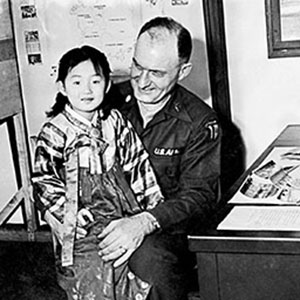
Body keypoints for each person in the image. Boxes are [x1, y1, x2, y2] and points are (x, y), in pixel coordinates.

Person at [99, 16, 222, 300]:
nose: (142, 82)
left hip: (166, 229)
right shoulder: (106, 103)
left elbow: (199, 196)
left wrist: (144, 222)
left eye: (156, 73)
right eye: (137, 67)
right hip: (108, 218)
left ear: (183, 71)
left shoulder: (199, 122)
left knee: (149, 262)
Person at [32, 45, 164, 300]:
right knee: (91, 269)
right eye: (77, 81)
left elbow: (137, 163)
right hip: (82, 218)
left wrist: (151, 208)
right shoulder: (55, 130)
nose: (87, 90)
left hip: (120, 212)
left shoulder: (115, 122)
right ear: (62, 87)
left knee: (131, 266)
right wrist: (66, 213)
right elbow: (43, 178)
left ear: (106, 85)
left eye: (95, 81)